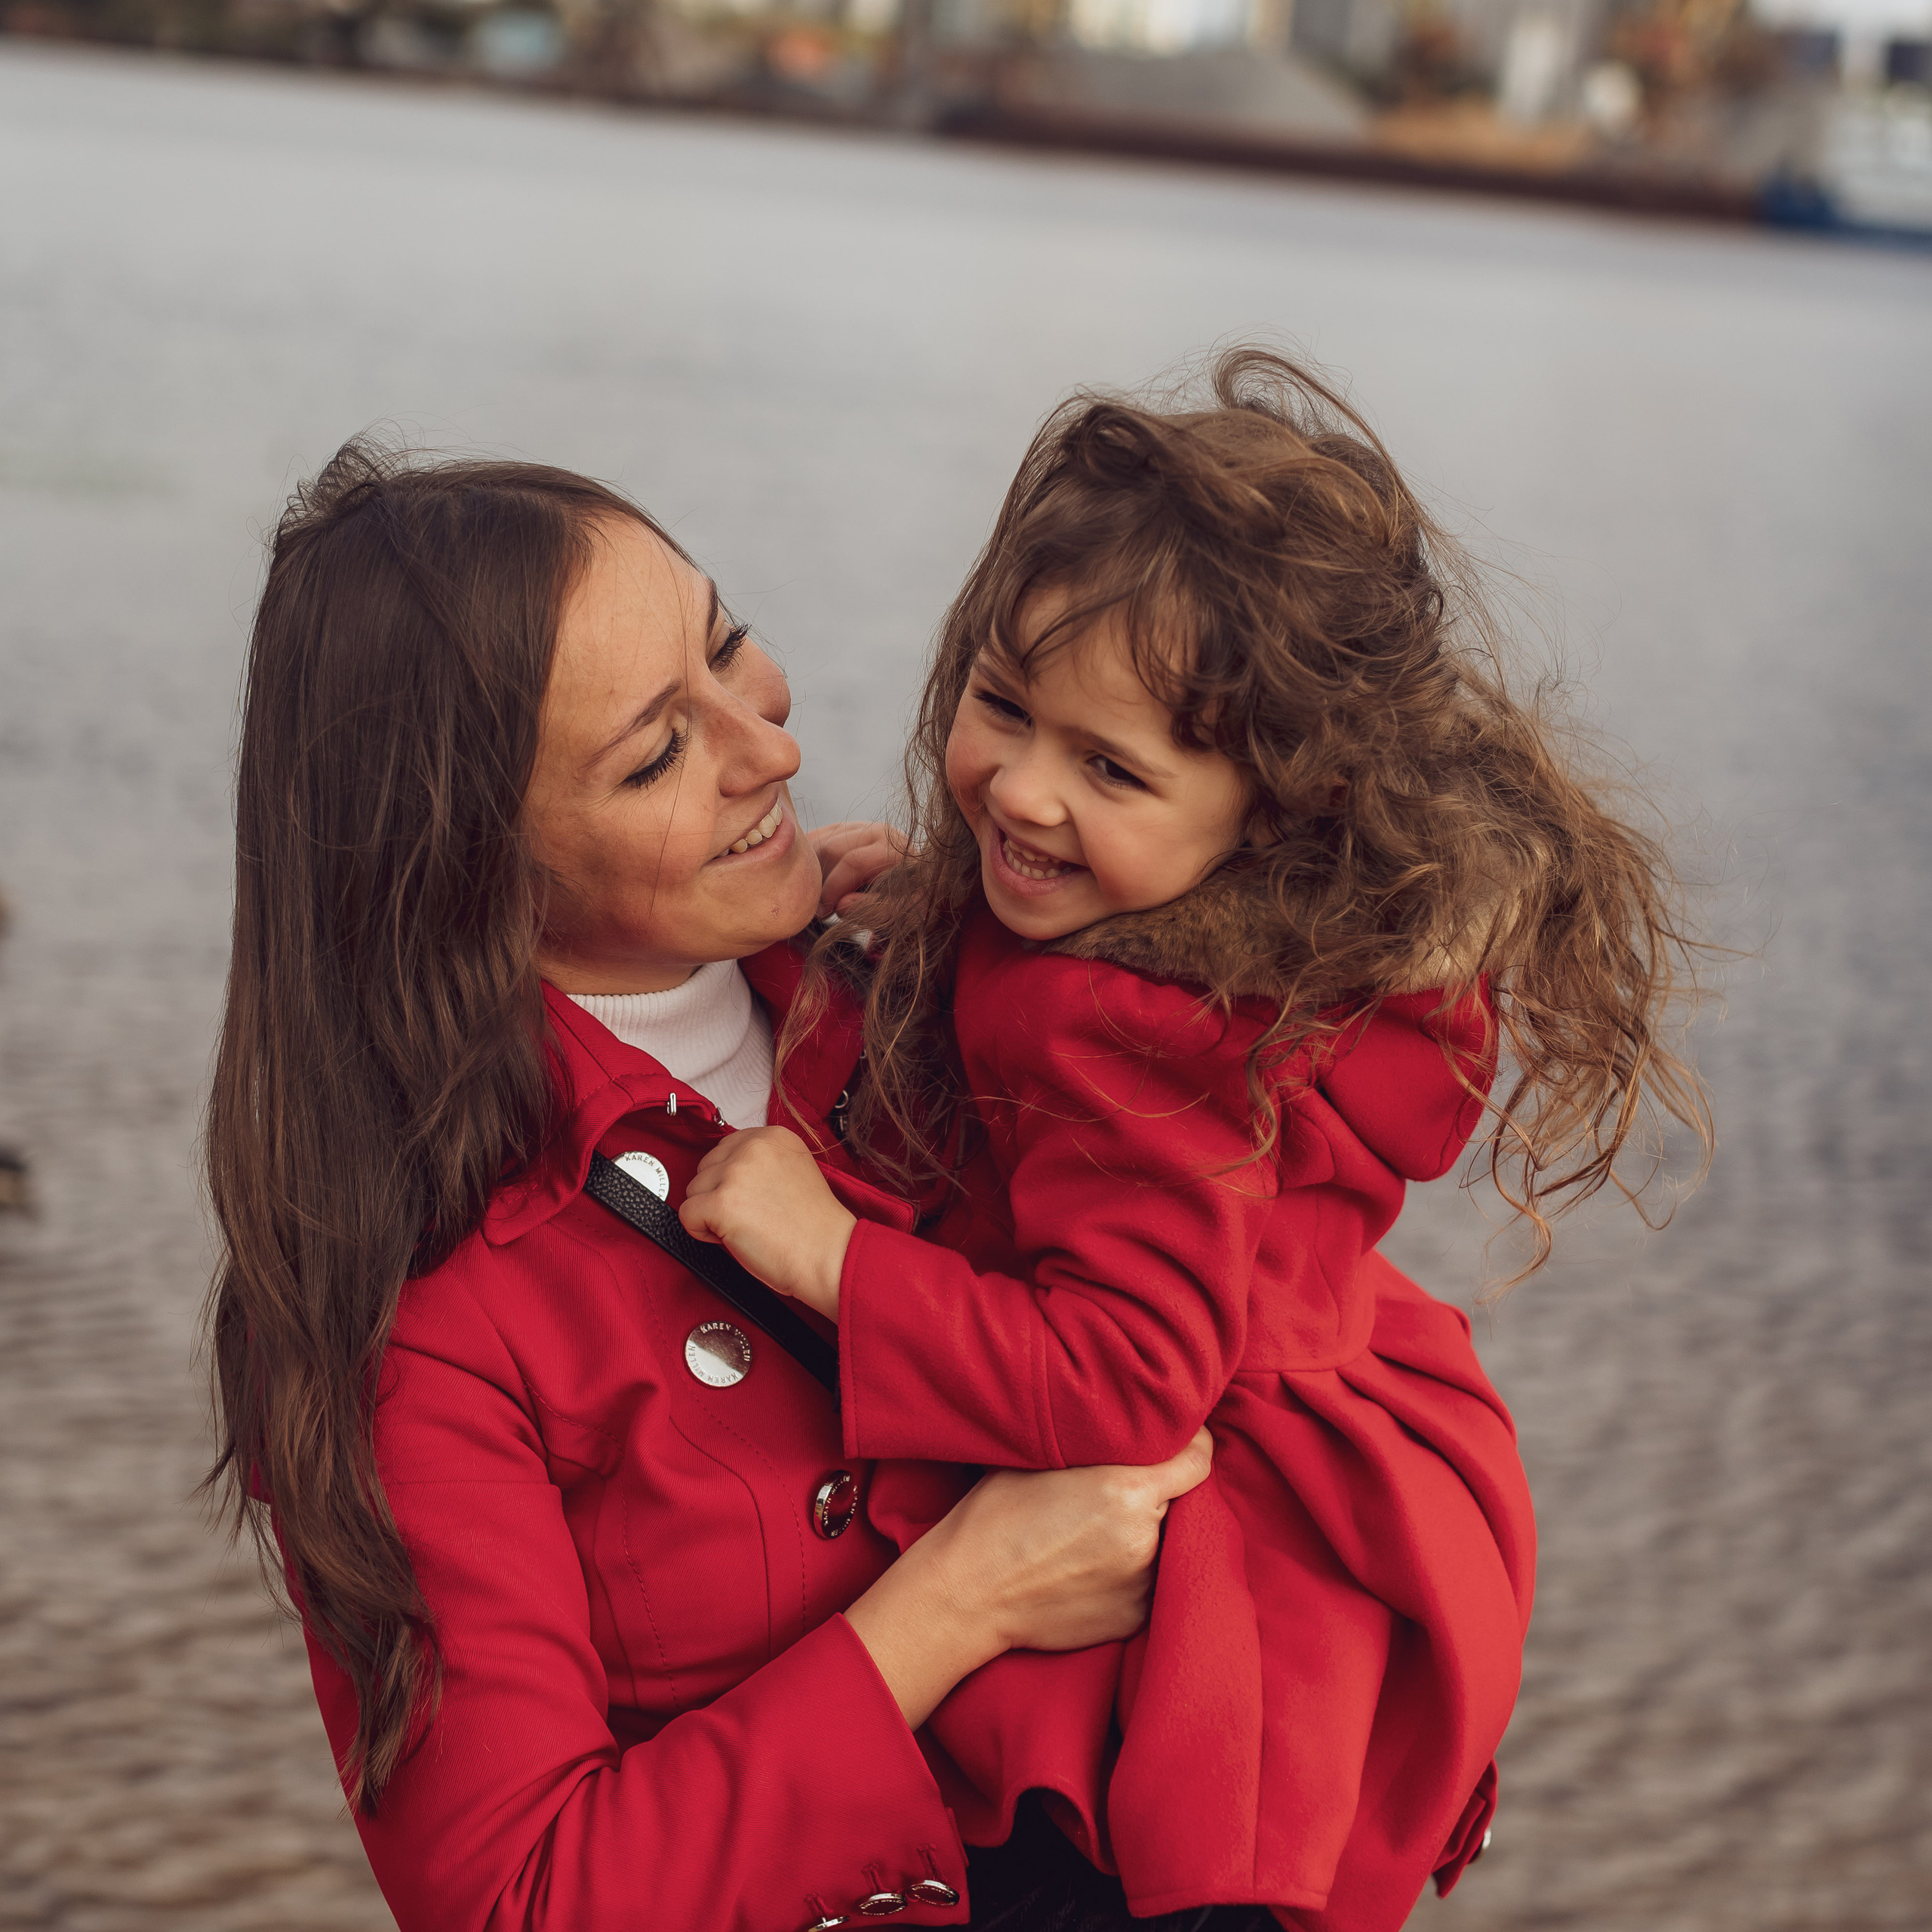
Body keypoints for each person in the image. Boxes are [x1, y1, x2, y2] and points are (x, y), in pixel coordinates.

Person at [678, 350, 1711, 1930]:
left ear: (1274, 803)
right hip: (1313, 1486)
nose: (1018, 789)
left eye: (1110, 767)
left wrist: (831, 1257)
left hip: (1188, 1584)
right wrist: (901, 928)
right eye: (1002, 705)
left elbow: (1121, 1376)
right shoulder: (1227, 947)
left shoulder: (1129, 1029)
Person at [201, 440, 1227, 1932]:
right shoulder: (420, 1307)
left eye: (725, 641)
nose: (769, 748)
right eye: (653, 755)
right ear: (471, 865)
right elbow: (517, 1897)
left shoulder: (916, 993)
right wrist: (960, 1604)